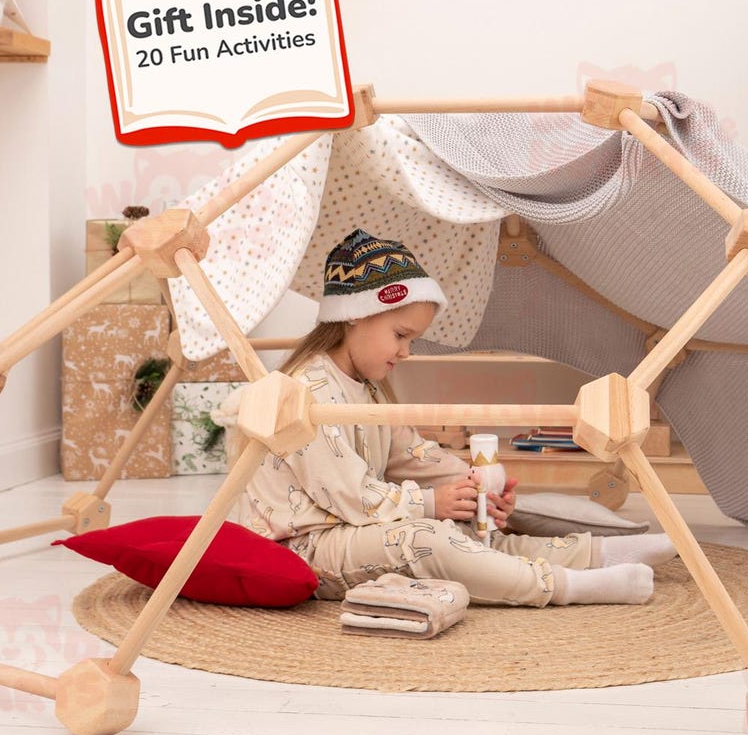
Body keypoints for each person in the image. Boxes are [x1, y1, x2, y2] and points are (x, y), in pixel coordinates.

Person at [216, 227, 677, 607]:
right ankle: (564, 586)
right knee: (427, 538)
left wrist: (474, 488)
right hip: (308, 547)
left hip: (354, 530)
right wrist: (431, 504)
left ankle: (598, 552)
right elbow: (349, 496)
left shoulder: (369, 390)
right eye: (400, 334)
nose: (406, 352)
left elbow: (413, 455)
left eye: (412, 340)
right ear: (356, 315)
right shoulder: (308, 389)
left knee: (464, 530)